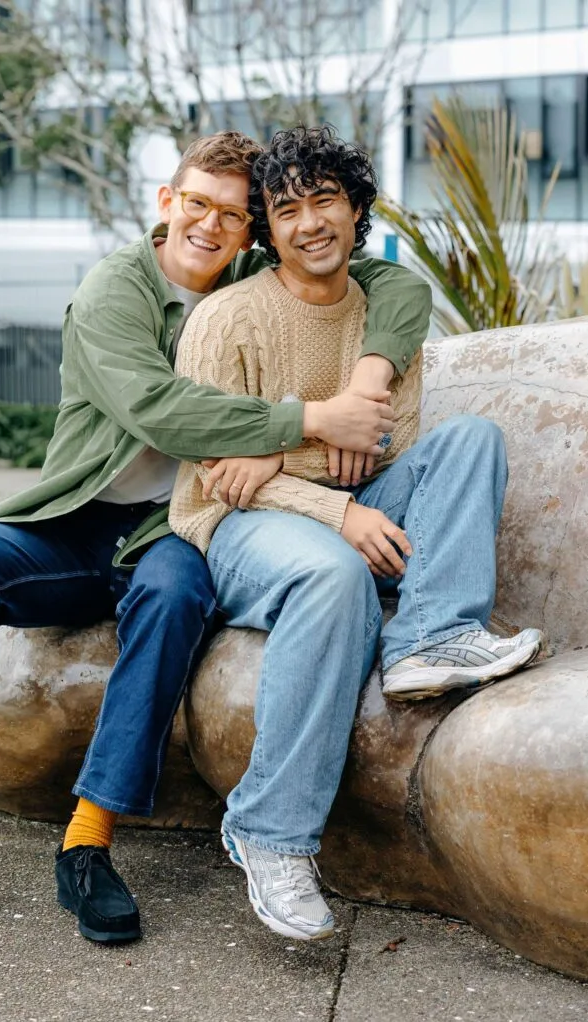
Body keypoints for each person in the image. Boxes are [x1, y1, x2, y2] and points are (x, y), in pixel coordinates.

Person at [0, 130, 432, 946]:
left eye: (233, 216)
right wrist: (305, 420)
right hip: (82, 519)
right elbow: (158, 408)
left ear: (250, 231)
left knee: (170, 595)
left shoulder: (250, 280)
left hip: (176, 527)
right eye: (196, 204)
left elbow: (389, 287)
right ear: (167, 202)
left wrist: (367, 374)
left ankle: (88, 843)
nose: (210, 226)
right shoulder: (112, 291)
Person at [168, 124, 543, 943]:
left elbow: (381, 443)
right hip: (237, 524)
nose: (309, 223)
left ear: (354, 209)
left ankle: (430, 636)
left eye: (324, 200)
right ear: (267, 228)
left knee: (470, 437)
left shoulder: (383, 319)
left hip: (320, 494)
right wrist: (335, 505)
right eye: (286, 208)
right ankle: (268, 835)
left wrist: (276, 456)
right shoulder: (228, 319)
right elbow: (215, 471)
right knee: (334, 577)